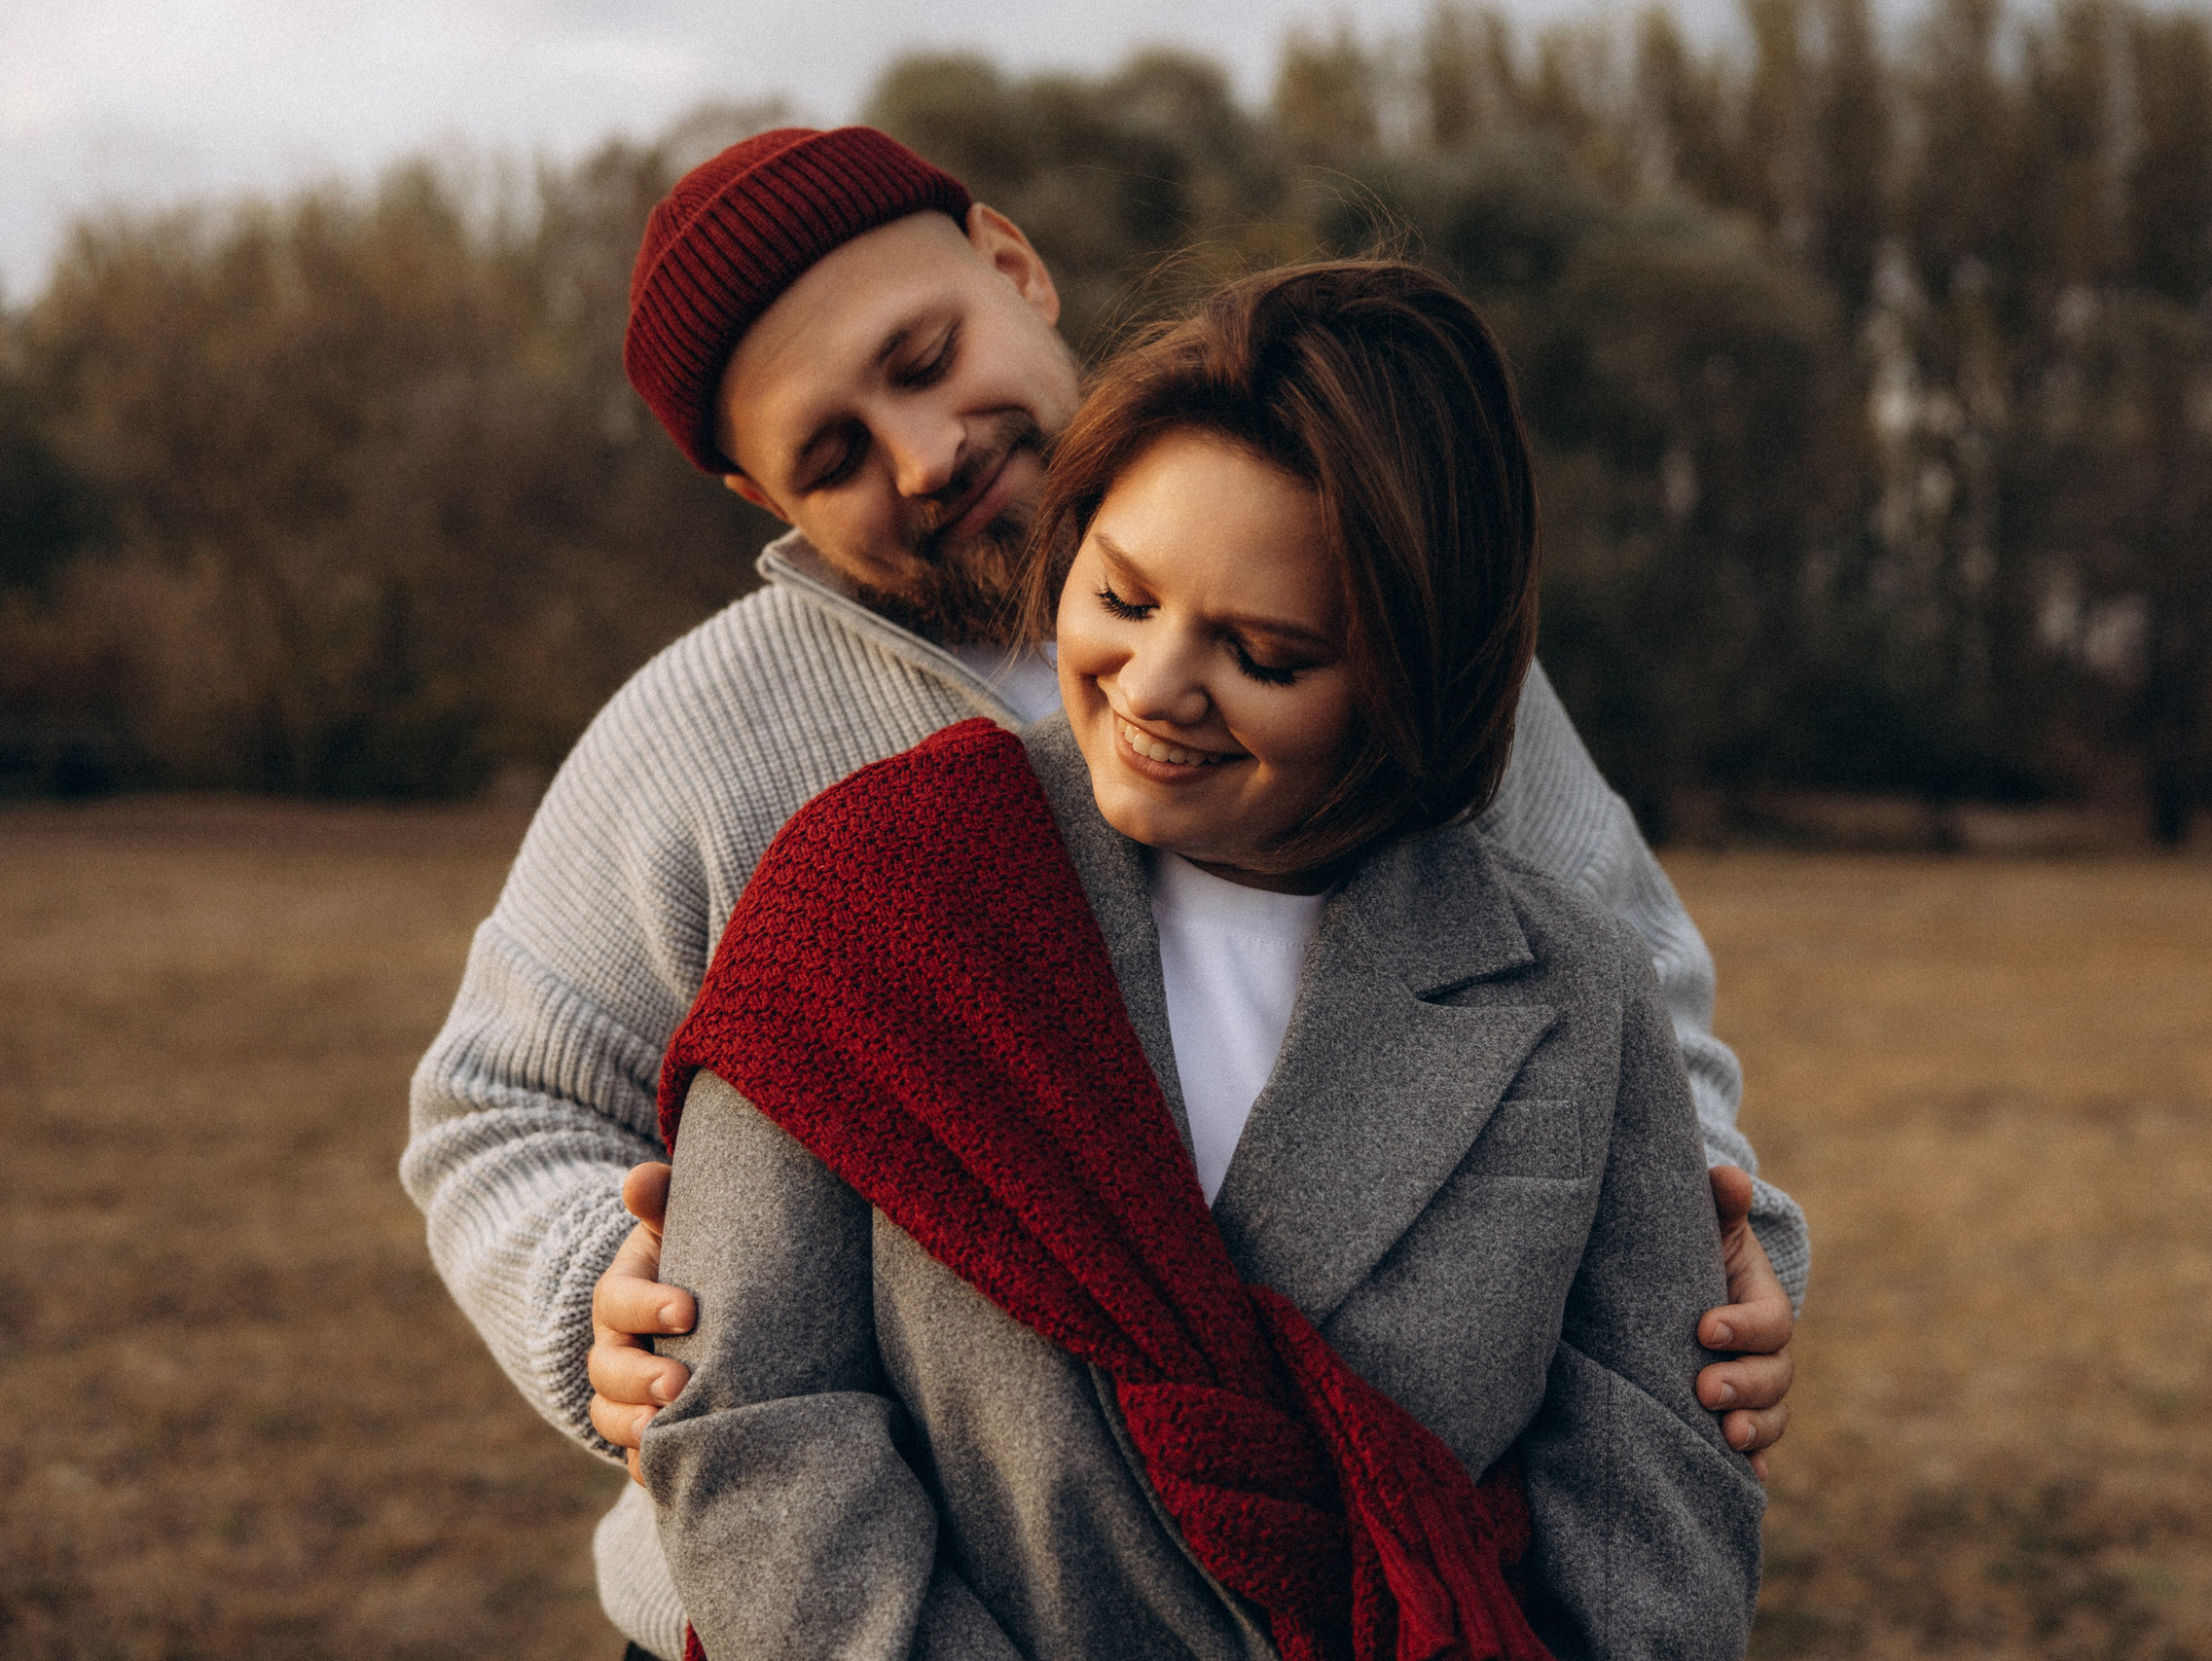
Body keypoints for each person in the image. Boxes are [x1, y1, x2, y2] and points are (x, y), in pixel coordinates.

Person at [400, 126, 1802, 1661]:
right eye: (834, 454)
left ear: (1012, 263)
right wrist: (612, 1307)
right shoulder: (711, 750)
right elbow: (500, 1106)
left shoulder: (1417, 622)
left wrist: (1705, 1266)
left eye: (925, 358)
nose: (922, 452)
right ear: (761, 493)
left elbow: (1621, 1011)